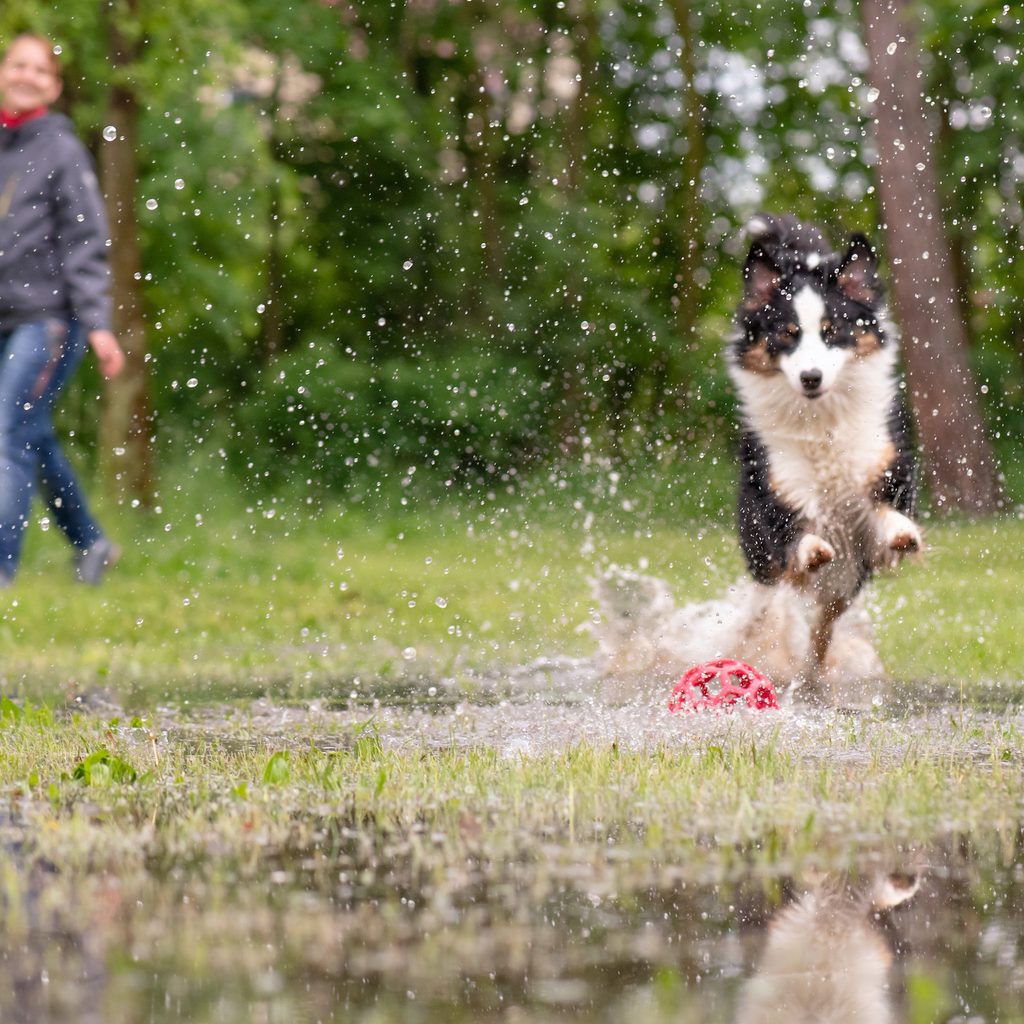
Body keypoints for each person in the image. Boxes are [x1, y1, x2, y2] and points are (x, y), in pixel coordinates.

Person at [0, 33, 125, 587]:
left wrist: (97, 324)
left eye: (39, 70)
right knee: (29, 433)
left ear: (52, 86)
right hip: (3, 318)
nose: (26, 74)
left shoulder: (62, 150)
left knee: (5, 434)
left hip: (46, 319)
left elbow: (86, 241)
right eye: (17, 64)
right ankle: (91, 541)